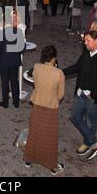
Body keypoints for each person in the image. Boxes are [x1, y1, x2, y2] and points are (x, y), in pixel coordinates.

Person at [63, 31, 97, 161]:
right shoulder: (86, 53)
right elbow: (76, 67)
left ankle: (87, 142)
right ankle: (94, 143)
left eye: (88, 40)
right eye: (84, 40)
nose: (85, 43)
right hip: (80, 93)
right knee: (75, 117)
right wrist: (60, 72)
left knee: (91, 122)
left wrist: (94, 94)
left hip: (92, 97)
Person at [23, 45, 65, 175]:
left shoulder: (36, 67)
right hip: (50, 107)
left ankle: (28, 160)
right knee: (49, 136)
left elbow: (36, 83)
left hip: (37, 103)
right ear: (55, 58)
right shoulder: (59, 73)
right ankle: (52, 166)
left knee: (34, 132)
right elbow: (61, 94)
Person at [0, 11, 25, 109]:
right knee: (15, 82)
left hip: (4, 62)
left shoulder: (1, 33)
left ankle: (5, 102)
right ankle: (16, 102)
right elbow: (22, 49)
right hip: (15, 62)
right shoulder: (19, 32)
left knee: (5, 82)